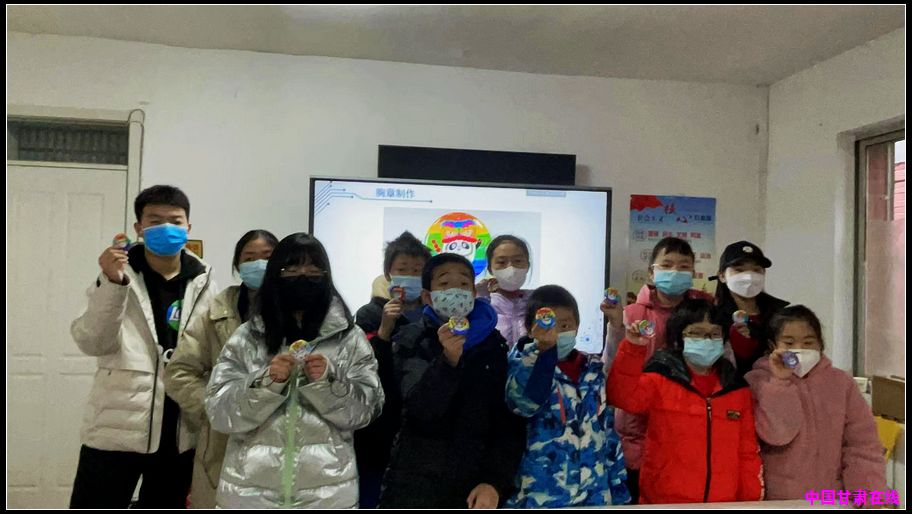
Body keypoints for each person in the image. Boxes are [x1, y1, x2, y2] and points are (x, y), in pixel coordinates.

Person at [205, 233, 383, 508]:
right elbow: (219, 413)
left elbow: (365, 411)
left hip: (328, 496)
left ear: (326, 276)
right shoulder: (247, 336)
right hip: (248, 494)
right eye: (291, 269)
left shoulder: (349, 338)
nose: (303, 276)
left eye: (313, 269)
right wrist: (266, 382)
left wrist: (327, 383)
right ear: (275, 276)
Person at [69, 185, 216, 508]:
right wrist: (112, 283)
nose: (166, 228)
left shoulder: (204, 281)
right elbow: (93, 341)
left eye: (175, 221)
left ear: (188, 227)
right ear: (139, 227)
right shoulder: (118, 275)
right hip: (117, 427)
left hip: (180, 432)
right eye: (155, 220)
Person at [380, 253, 526, 508]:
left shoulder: (493, 344)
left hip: (475, 487)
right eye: (445, 284)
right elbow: (419, 410)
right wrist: (448, 361)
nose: (455, 291)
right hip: (417, 486)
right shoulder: (411, 339)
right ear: (428, 296)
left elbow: (506, 419)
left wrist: (494, 481)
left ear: (474, 293)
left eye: (464, 284)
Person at [607, 298, 763, 504]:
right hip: (664, 500)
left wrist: (750, 502)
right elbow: (622, 397)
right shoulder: (661, 377)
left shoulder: (736, 388)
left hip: (723, 501)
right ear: (680, 337)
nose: (706, 340)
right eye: (696, 333)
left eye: (714, 334)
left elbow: (747, 453)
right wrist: (633, 349)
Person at [164, 229, 278, 508]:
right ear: (237, 266)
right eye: (249, 258)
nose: (259, 264)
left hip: (279, 439)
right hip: (224, 443)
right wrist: (214, 406)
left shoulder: (301, 311)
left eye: (267, 257)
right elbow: (179, 371)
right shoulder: (217, 312)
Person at [600, 237, 716, 502]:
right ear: (651, 272)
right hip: (638, 433)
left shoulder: (706, 313)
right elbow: (612, 369)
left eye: (684, 266)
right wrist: (616, 327)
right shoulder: (632, 313)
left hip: (687, 430)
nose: (675, 271)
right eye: (667, 265)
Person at [505, 285, 630, 508]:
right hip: (540, 495)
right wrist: (544, 352)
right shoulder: (521, 366)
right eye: (549, 324)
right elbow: (524, 404)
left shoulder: (591, 370)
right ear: (530, 328)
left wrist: (619, 491)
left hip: (594, 494)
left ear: (577, 326)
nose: (557, 333)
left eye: (565, 325)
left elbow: (608, 433)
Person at [745, 305, 885, 501]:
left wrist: (869, 495)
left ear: (820, 344)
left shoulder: (841, 383)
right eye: (789, 342)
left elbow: (862, 444)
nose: (800, 349)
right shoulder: (757, 381)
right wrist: (779, 382)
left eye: (808, 342)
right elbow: (776, 435)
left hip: (831, 498)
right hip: (778, 499)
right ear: (772, 345)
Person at [353, 231, 431, 508]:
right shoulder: (369, 314)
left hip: (422, 427)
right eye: (402, 270)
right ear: (388, 273)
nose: (410, 276)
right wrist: (385, 331)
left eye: (417, 270)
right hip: (379, 427)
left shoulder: (436, 316)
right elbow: (362, 369)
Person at [711, 241, 789, 377]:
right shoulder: (713, 314)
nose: (749, 276)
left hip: (775, 383)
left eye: (756, 270)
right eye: (739, 270)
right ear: (722, 276)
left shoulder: (780, 313)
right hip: (730, 386)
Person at [476, 235, 533, 348]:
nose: (511, 267)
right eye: (501, 262)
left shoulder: (538, 301)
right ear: (490, 269)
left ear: (528, 265)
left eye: (518, 261)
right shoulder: (481, 305)